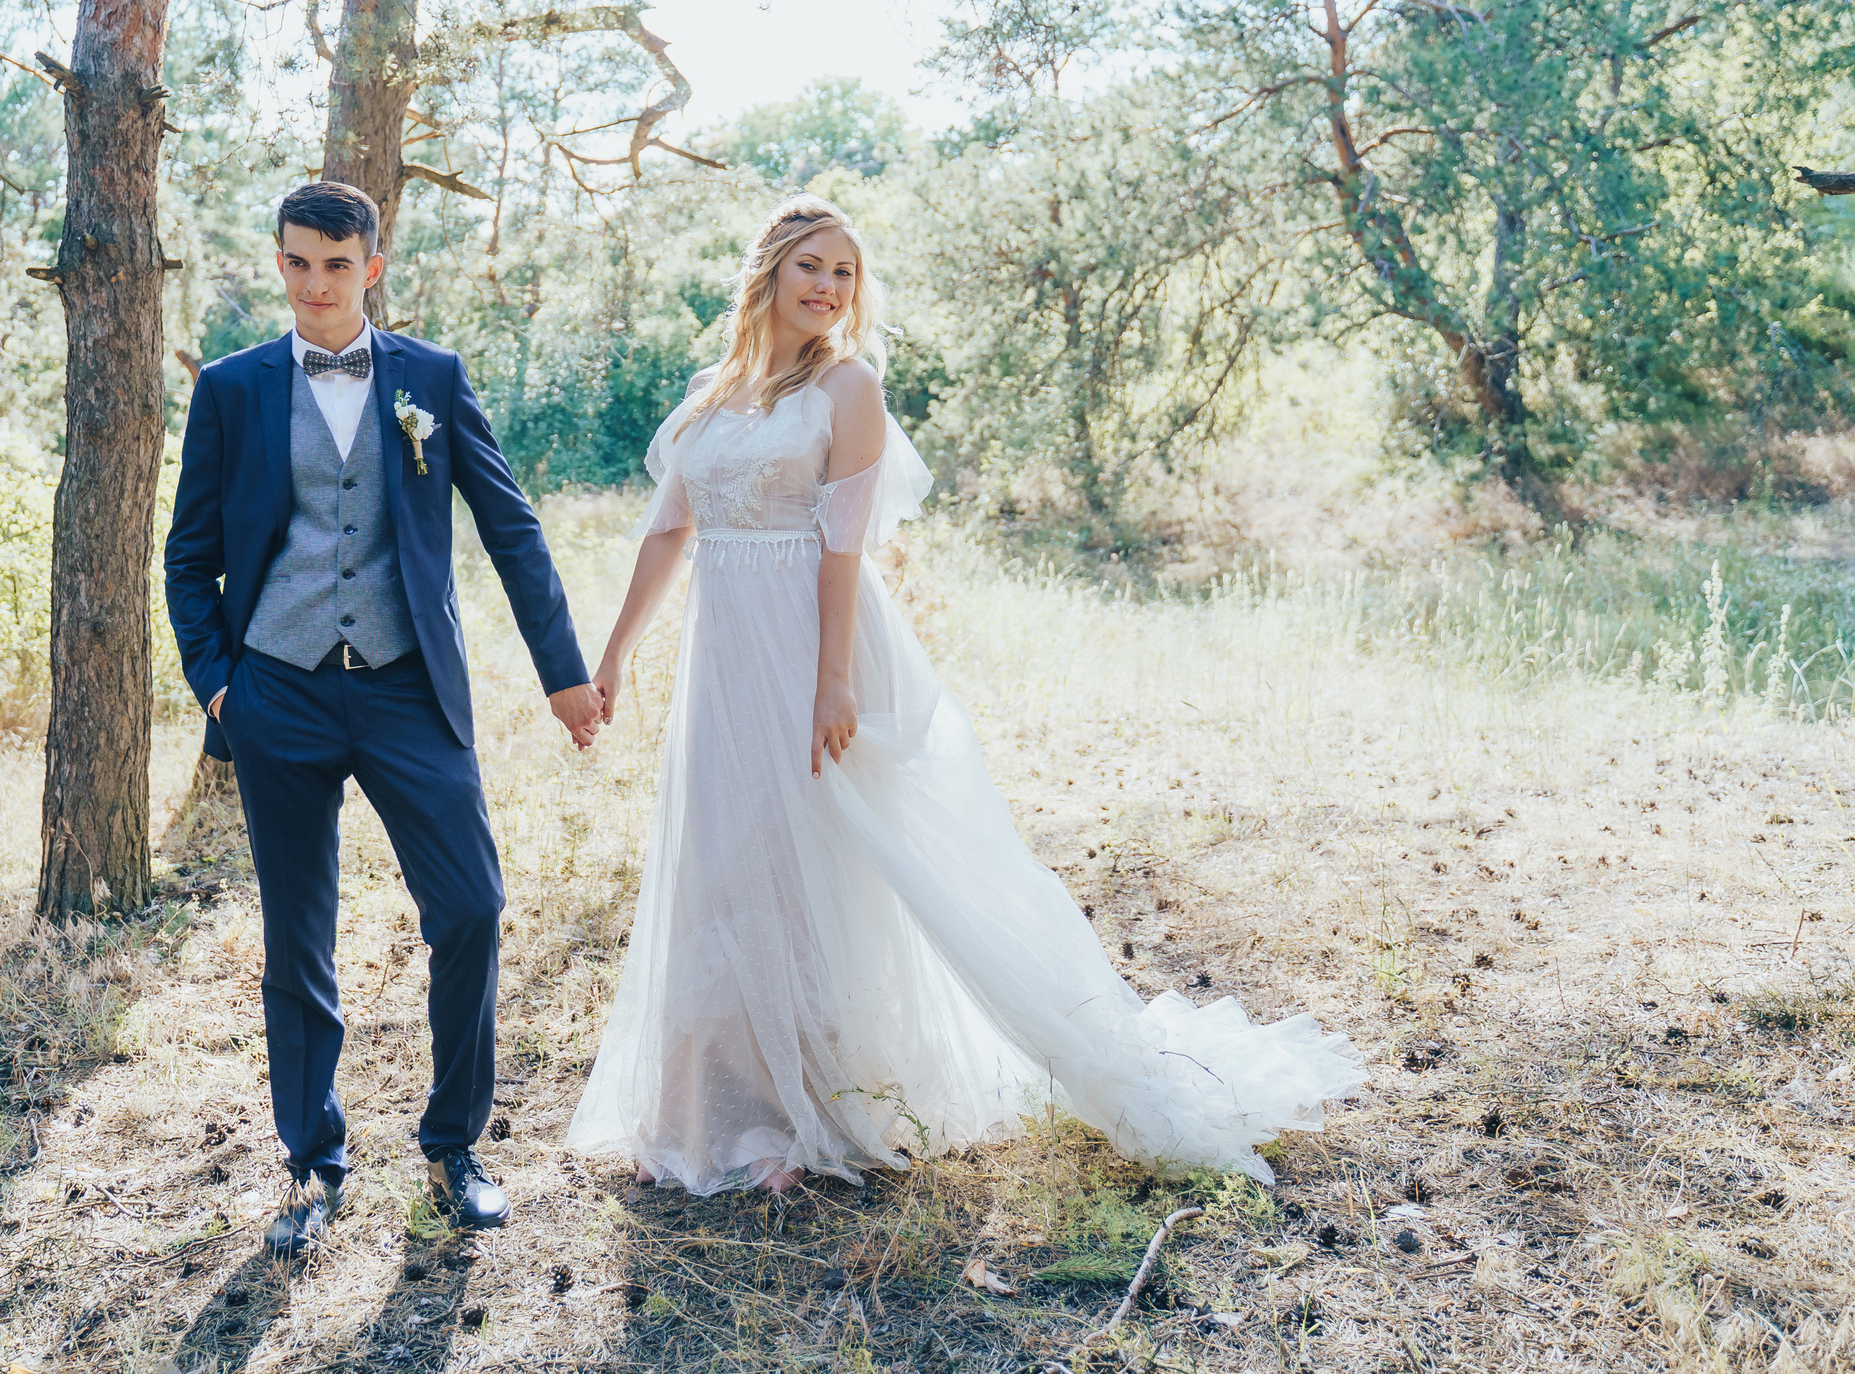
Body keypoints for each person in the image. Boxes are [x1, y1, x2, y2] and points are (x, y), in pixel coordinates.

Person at [567, 196, 1364, 1195]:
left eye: (845, 273)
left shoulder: (846, 390)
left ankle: (807, 1109)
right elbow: (668, 531)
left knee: (811, 865)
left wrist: (831, 681)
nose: (826, 287)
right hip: (723, 653)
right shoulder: (710, 392)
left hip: (813, 641)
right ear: (766, 273)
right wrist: (615, 658)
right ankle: (719, 1104)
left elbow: (844, 549)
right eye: (810, 266)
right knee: (725, 862)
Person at [164, 180, 607, 1256]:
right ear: (279, 265)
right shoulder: (231, 388)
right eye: (295, 264)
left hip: (410, 688)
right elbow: (190, 557)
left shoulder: (434, 381)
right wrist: (223, 687)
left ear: (372, 265)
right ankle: (312, 1163)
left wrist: (563, 674)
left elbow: (513, 532)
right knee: (296, 939)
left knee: (470, 907)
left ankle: (454, 1144)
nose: (314, 286)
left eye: (335, 264)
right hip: (280, 690)